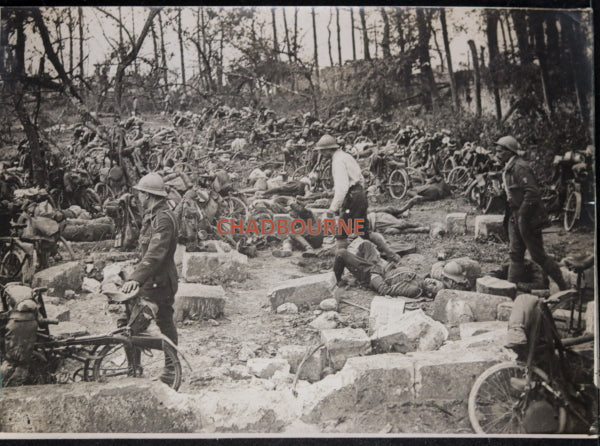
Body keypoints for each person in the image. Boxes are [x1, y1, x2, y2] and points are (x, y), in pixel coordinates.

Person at [121, 173, 179, 383]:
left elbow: (155, 253)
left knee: (133, 326)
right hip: (157, 280)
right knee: (163, 322)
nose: (138, 198)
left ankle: (146, 370)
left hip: (157, 284)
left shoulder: (163, 219)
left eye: (140, 194)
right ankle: (167, 368)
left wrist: (135, 278)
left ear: (148, 195)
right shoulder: (154, 215)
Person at [495, 136, 567, 290]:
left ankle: (564, 287)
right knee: (515, 254)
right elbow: (515, 192)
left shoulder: (520, 168)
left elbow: (532, 193)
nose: (497, 154)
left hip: (528, 216)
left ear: (509, 152)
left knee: (537, 255)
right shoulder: (508, 168)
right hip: (515, 215)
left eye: (500, 151)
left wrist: (522, 216)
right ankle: (511, 289)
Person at [333, 239, 440, 299]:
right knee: (366, 245)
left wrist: (374, 277)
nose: (432, 281)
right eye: (436, 281)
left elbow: (386, 291)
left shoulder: (414, 289)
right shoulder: (421, 278)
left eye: (433, 285)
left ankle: (340, 280)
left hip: (372, 275)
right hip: (380, 269)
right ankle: (354, 270)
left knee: (341, 253)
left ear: (429, 293)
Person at [316, 134, 368, 247]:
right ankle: (390, 254)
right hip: (360, 194)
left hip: (352, 197)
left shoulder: (337, 161)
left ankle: (340, 261)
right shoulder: (346, 156)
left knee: (341, 233)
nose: (322, 154)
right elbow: (360, 178)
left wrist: (332, 209)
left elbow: (342, 188)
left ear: (329, 150)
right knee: (364, 231)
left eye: (322, 151)